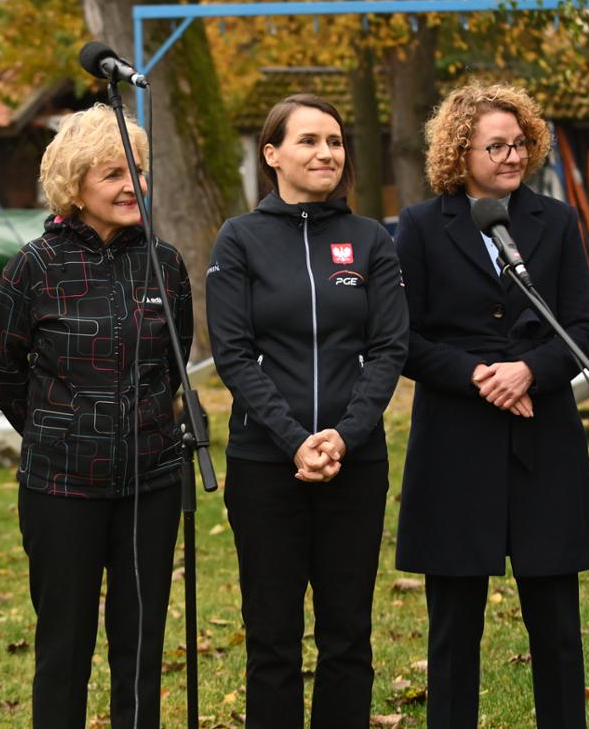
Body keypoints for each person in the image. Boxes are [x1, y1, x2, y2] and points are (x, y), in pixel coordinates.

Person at [393, 82, 589, 728]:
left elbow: (583, 326)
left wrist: (530, 371)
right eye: (496, 146)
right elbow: (402, 336)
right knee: (454, 630)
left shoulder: (557, 221)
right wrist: (479, 375)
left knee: (558, 628)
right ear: (461, 151)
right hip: (456, 442)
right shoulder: (422, 227)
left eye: (519, 144)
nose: (512, 157)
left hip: (543, 440)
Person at [0, 104, 192, 729]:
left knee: (141, 648)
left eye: (139, 171)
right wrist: (60, 427)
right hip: (60, 488)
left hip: (149, 484)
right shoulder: (35, 266)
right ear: (75, 185)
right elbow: (3, 369)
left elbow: (175, 363)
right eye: (113, 174)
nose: (134, 185)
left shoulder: (165, 263)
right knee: (64, 647)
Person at [204, 94, 408, 727]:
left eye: (336, 141)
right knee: (271, 638)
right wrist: (295, 441)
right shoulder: (239, 239)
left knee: (348, 635)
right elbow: (233, 355)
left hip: (356, 463)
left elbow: (389, 348)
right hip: (267, 465)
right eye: (309, 141)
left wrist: (344, 438)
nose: (327, 153)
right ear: (272, 155)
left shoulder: (370, 238)